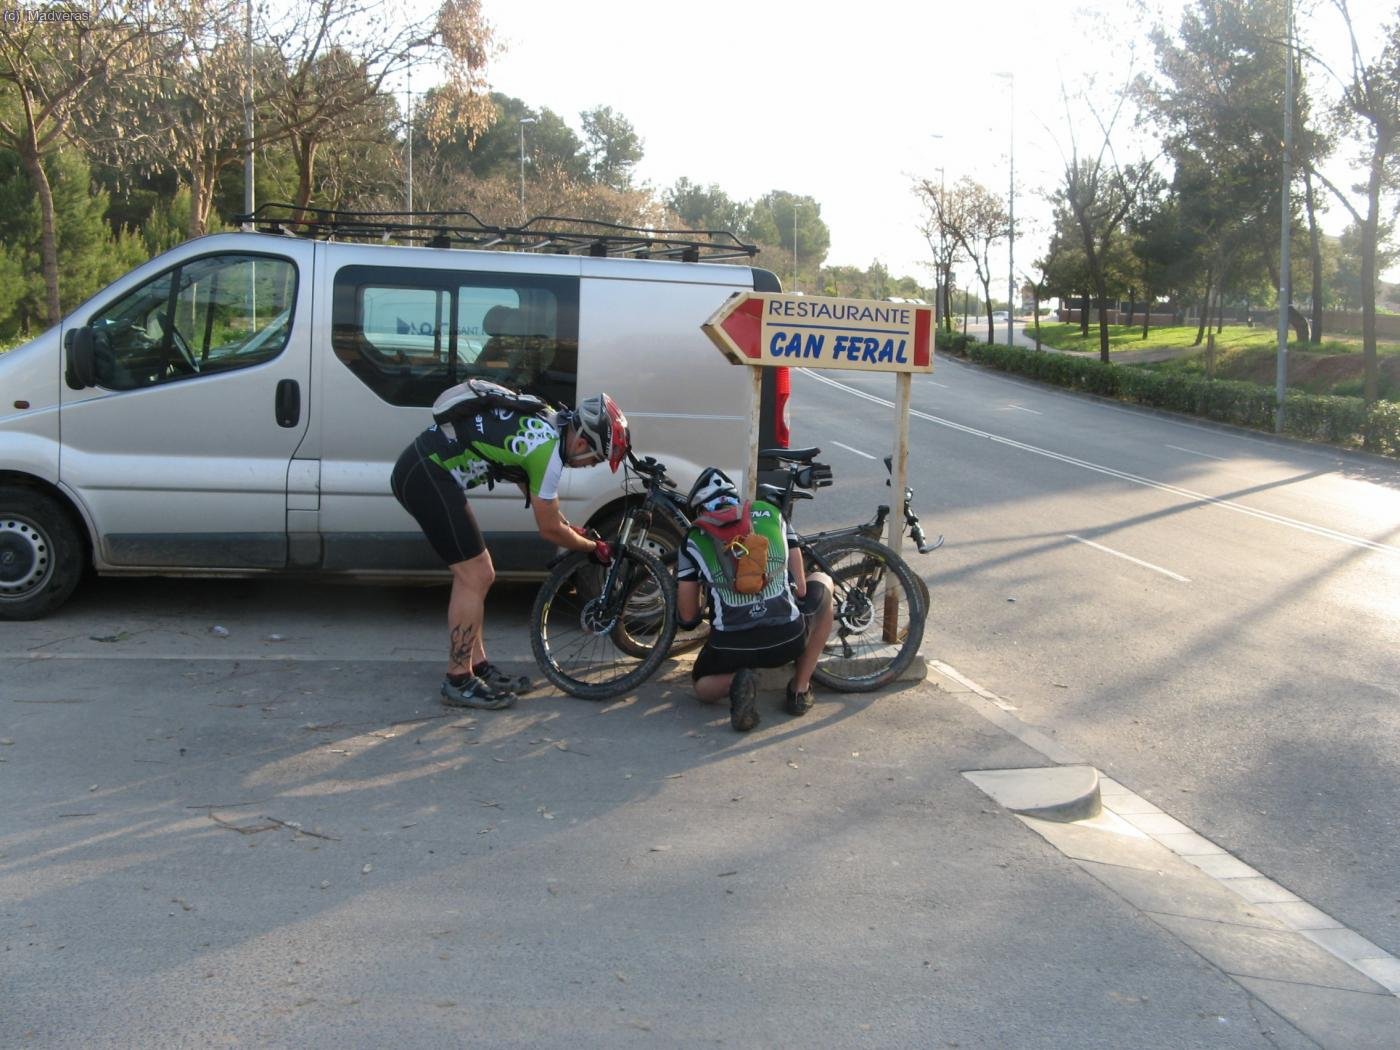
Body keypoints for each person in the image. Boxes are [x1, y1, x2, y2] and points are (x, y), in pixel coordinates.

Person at [391, 389, 629, 709]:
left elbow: (540, 501)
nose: (589, 466)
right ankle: (458, 680)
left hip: (425, 468)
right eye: (595, 460)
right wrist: (592, 548)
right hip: (427, 475)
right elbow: (548, 529)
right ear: (583, 443)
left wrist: (574, 531)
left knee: (479, 574)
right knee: (474, 574)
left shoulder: (549, 420)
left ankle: (478, 667)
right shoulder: (549, 455)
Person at [675, 467, 834, 732]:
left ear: (701, 510)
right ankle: (799, 689)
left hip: (730, 648)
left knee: (701, 686)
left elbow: (688, 616)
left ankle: (738, 679)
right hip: (787, 640)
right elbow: (802, 589)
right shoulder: (772, 513)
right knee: (824, 583)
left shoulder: (692, 538)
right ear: (735, 499)